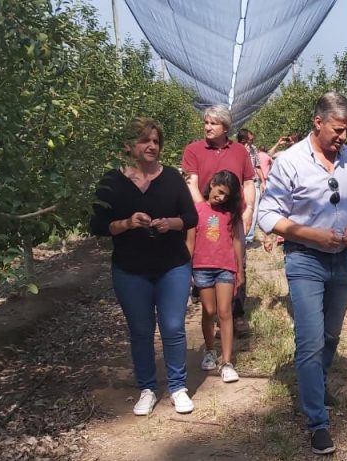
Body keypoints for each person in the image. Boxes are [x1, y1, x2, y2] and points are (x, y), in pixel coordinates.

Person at [257, 92, 347, 455]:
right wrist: (312, 235)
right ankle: (317, 420)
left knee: (330, 333)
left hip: (343, 259)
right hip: (305, 259)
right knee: (309, 340)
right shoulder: (291, 162)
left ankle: (318, 379)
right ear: (318, 123)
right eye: (338, 130)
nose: (343, 138)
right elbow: (267, 215)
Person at [90, 117, 199, 416]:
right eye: (145, 140)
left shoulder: (173, 178)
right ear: (129, 146)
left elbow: (191, 218)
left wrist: (170, 223)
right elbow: (97, 225)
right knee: (140, 330)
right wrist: (126, 223)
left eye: (156, 141)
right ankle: (148, 388)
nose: (152, 146)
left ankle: (178, 387)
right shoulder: (112, 182)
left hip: (172, 266)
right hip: (130, 269)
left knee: (174, 327)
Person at [181, 105, 253, 337]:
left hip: (233, 216)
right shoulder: (193, 150)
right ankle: (210, 310)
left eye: (213, 123)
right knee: (205, 257)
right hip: (203, 218)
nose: (208, 127)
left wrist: (249, 209)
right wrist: (205, 209)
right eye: (206, 122)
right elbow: (191, 182)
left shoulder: (240, 151)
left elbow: (249, 182)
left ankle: (236, 313)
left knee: (237, 259)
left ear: (225, 127)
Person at [186, 170, 245, 383]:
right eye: (219, 192)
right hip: (201, 267)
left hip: (225, 268)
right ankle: (210, 350)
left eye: (226, 196)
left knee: (224, 312)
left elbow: (237, 241)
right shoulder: (197, 210)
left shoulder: (230, 215)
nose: (220, 198)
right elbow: (190, 241)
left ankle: (227, 361)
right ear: (211, 184)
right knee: (209, 311)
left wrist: (239, 269)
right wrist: (188, 269)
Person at [237, 128, 263, 244]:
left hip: (253, 182)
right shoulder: (235, 149)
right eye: (250, 137)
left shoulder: (254, 149)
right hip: (239, 183)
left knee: (254, 209)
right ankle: (237, 234)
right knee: (238, 209)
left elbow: (257, 166)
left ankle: (248, 238)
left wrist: (263, 181)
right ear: (244, 139)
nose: (253, 139)